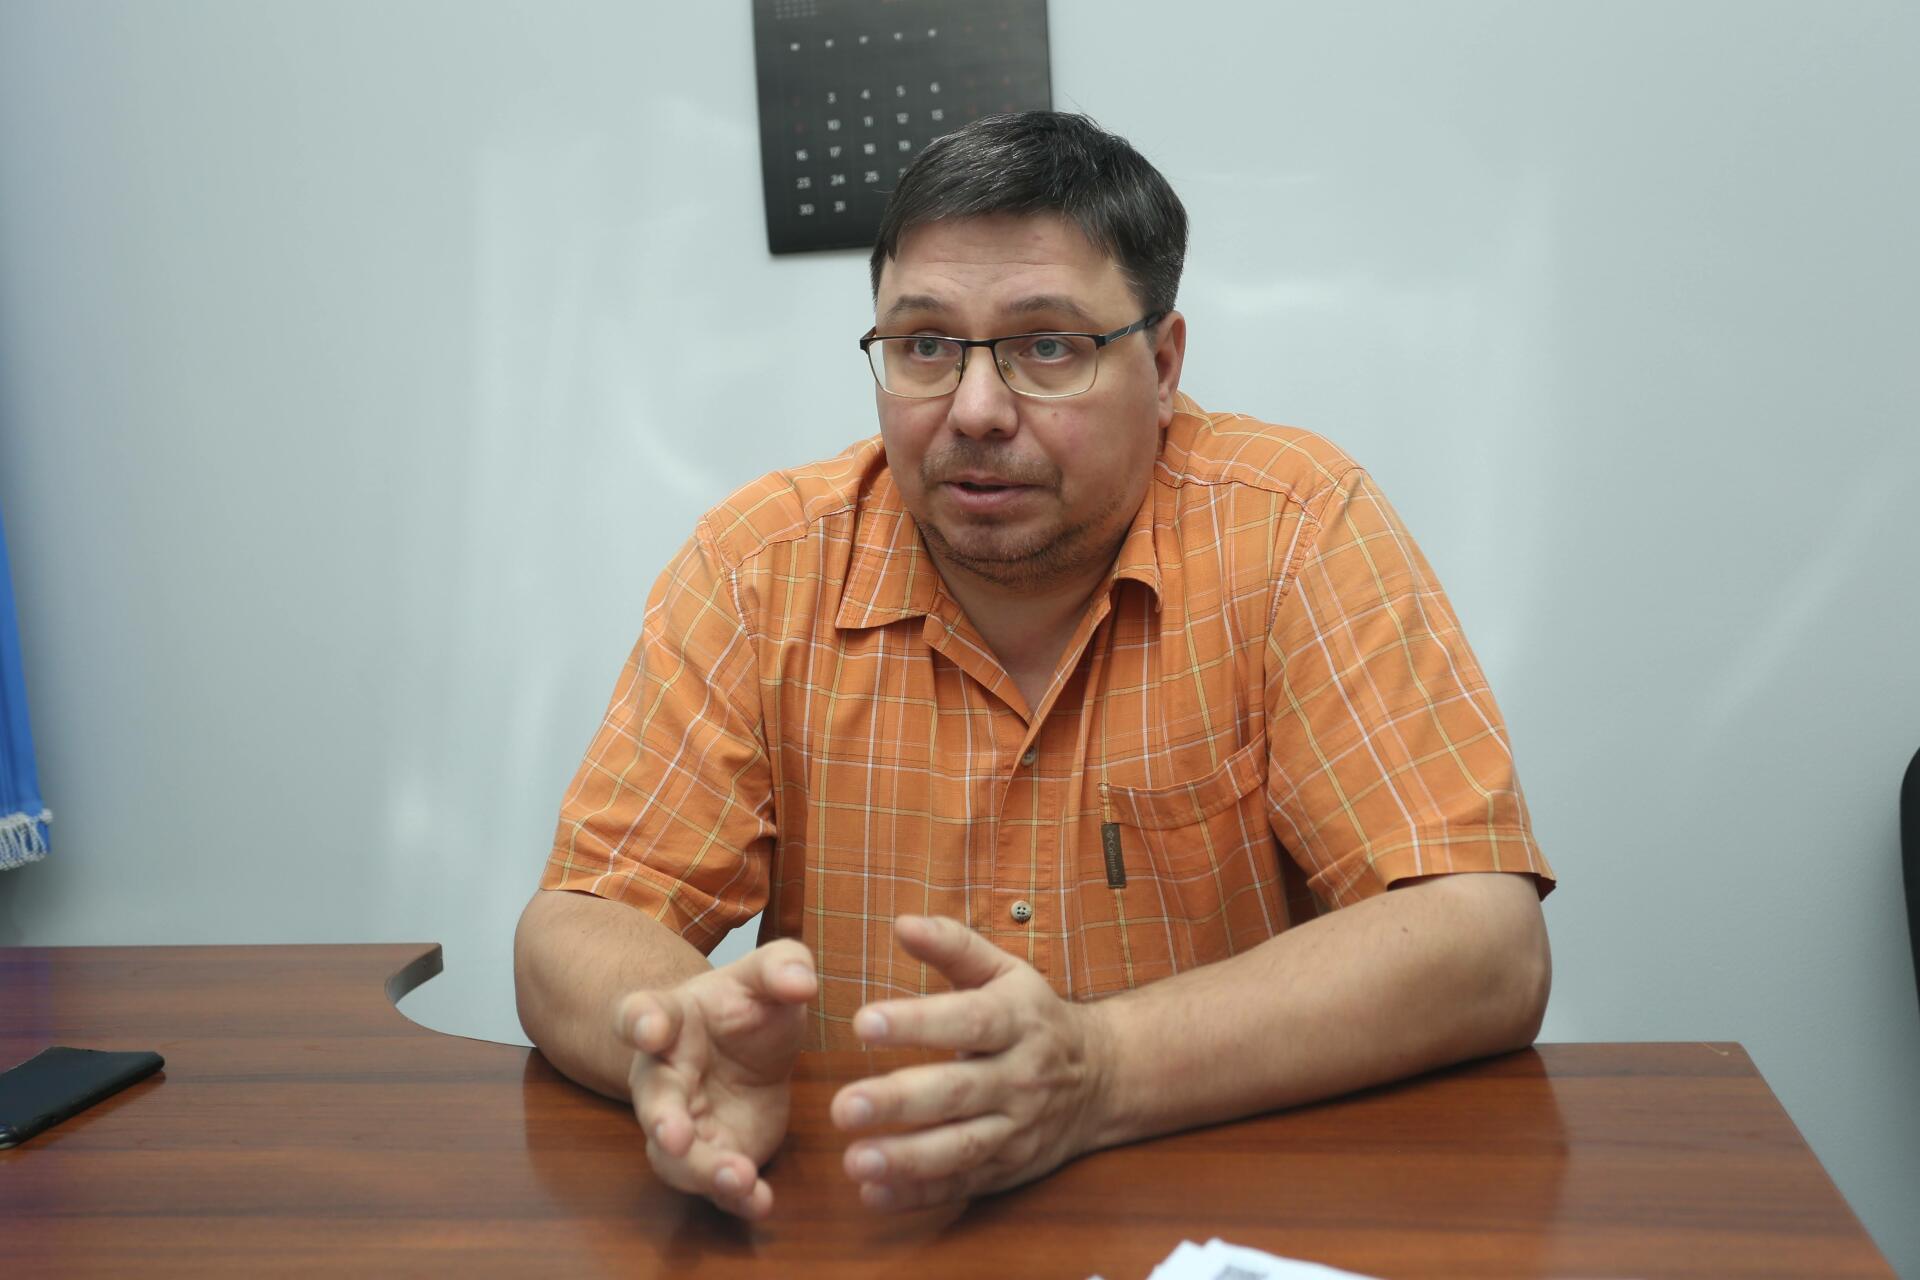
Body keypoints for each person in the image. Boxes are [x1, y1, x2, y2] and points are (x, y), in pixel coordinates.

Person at [514, 111, 1554, 1222]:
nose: (974, 410)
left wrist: (1100, 1068)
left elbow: (1483, 941)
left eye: (1047, 346)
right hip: (873, 1217)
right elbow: (572, 927)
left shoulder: (1292, 530)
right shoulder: (760, 567)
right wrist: (681, 1030)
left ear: (1163, 364)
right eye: (925, 345)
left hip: (1217, 1210)